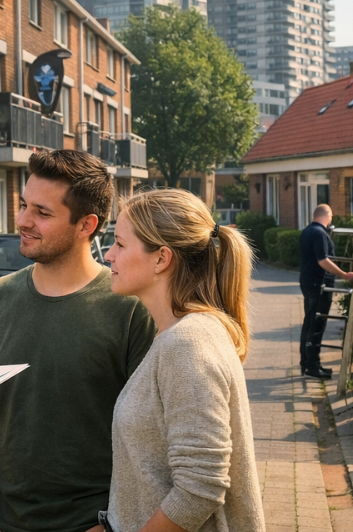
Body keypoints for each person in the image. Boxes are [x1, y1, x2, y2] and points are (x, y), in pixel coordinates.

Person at [0, 150, 156, 532]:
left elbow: (150, 437)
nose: (23, 221)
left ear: (87, 225)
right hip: (3, 522)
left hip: (94, 523)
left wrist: (117, 522)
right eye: (23, 205)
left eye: (42, 213)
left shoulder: (131, 309)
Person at [95, 189, 265, 532]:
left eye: (120, 244)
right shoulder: (180, 335)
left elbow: (199, 488)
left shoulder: (187, 343)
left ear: (161, 258)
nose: (109, 255)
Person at [298, 204, 353, 379]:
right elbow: (323, 260)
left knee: (310, 321)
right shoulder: (320, 233)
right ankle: (312, 366)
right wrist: (344, 274)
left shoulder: (307, 231)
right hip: (319, 283)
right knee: (316, 323)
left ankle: (308, 362)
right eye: (331, 217)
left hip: (309, 281)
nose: (331, 220)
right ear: (328, 216)